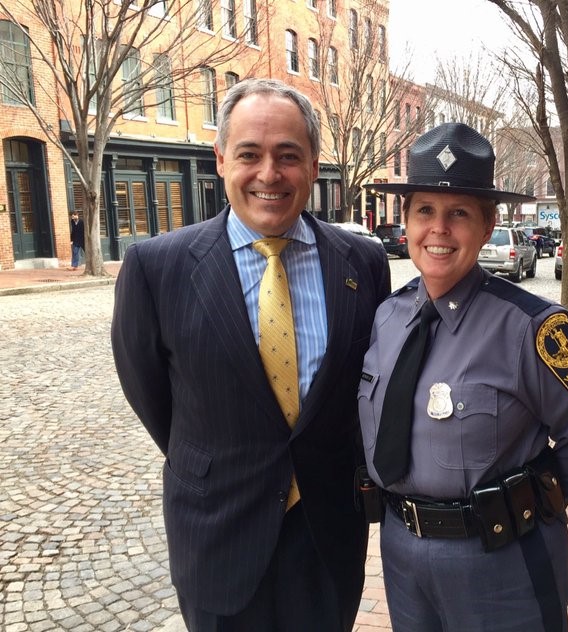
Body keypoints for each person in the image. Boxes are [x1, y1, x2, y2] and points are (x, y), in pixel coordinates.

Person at [111, 78, 391, 632]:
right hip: (218, 536)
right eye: (249, 154)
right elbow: (151, 397)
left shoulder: (363, 262)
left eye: (288, 155)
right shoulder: (155, 268)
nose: (269, 174)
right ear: (220, 159)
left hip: (327, 537)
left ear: (313, 164)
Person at [357, 122, 568, 632]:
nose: (439, 229)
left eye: (460, 214)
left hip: (501, 563)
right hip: (403, 556)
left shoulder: (533, 328)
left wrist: (528, 503)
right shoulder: (388, 317)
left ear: (488, 223)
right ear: (405, 220)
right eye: (425, 210)